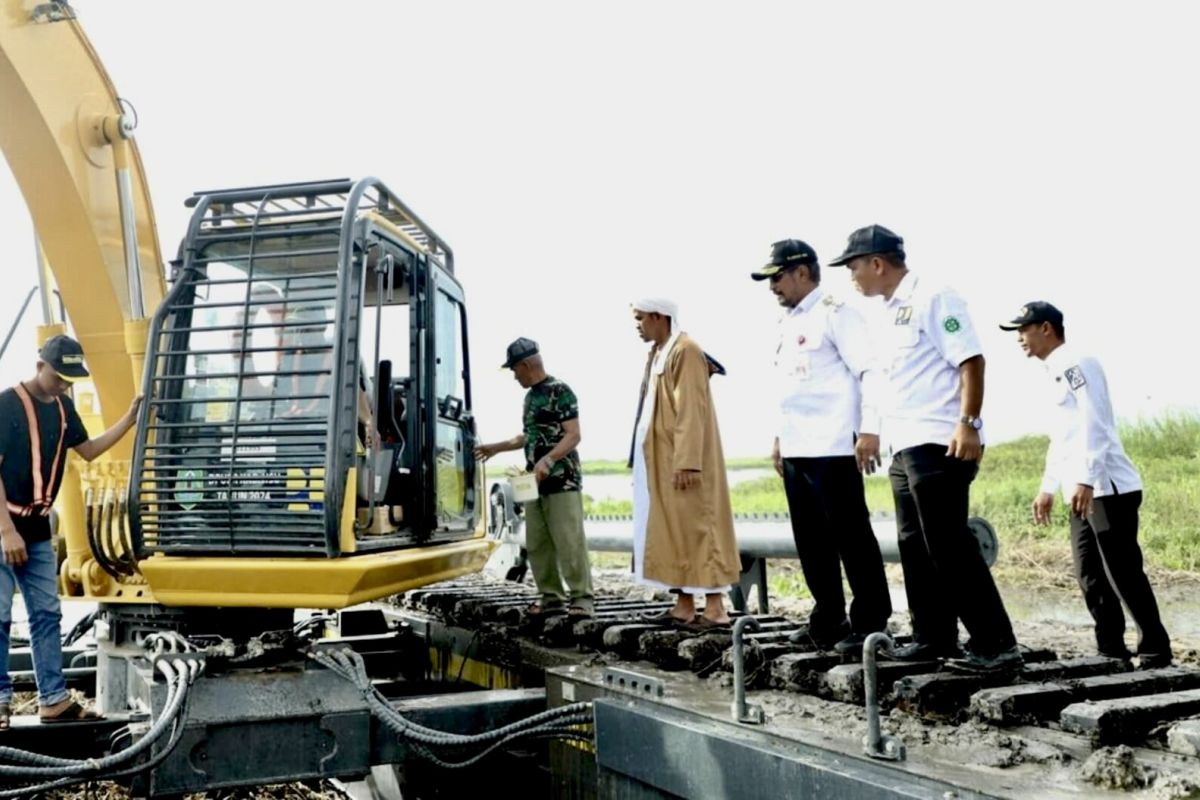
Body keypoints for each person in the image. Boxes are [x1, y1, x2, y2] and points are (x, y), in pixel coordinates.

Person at [830, 225, 1021, 673]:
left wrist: (968, 423)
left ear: (877, 263)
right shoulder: (885, 313)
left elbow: (970, 360)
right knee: (915, 546)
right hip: (906, 444)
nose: (852, 276)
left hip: (941, 440)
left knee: (949, 544)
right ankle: (932, 636)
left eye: (854, 267)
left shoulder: (935, 297)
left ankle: (996, 644)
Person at [1000, 301, 1171, 668]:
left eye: (1023, 329)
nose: (1019, 338)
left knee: (1122, 570)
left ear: (1046, 328)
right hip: (1080, 488)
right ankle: (1111, 649)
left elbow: (1096, 422)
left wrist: (1085, 478)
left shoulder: (1077, 362)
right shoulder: (1052, 372)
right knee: (1089, 574)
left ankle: (1155, 648)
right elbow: (1063, 437)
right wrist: (1048, 486)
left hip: (1107, 487)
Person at [751, 239, 891, 653]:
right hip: (797, 447)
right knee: (810, 540)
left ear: (802, 272)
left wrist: (869, 430)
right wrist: (780, 439)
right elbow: (791, 387)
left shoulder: (836, 313)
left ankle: (869, 621)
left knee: (851, 536)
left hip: (834, 444)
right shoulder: (788, 321)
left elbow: (869, 372)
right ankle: (828, 617)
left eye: (777, 277)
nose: (772, 286)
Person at [1, 335, 143, 730]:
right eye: (60, 377)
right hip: (4, 525)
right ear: (40, 365)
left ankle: (54, 701)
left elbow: (90, 449)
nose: (65, 385)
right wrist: (6, 531)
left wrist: (128, 420)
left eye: (70, 379)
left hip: (37, 527)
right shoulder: (6, 404)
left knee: (46, 613)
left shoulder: (64, 408)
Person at [629, 298, 740, 627]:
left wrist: (688, 461)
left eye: (639, 318)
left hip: (683, 462)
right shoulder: (660, 352)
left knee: (700, 527)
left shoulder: (686, 350)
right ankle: (684, 604)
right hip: (663, 461)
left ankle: (716, 608)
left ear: (657, 316)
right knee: (675, 531)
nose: (636, 325)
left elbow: (690, 407)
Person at [474, 338, 593, 619]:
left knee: (568, 539)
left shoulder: (560, 390)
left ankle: (582, 597)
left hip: (562, 480)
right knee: (537, 542)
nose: (514, 376)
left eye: (515, 370)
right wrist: (496, 447)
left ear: (527, 365)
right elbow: (529, 435)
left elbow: (573, 434)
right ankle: (550, 596)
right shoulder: (530, 397)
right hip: (532, 481)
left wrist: (549, 459)